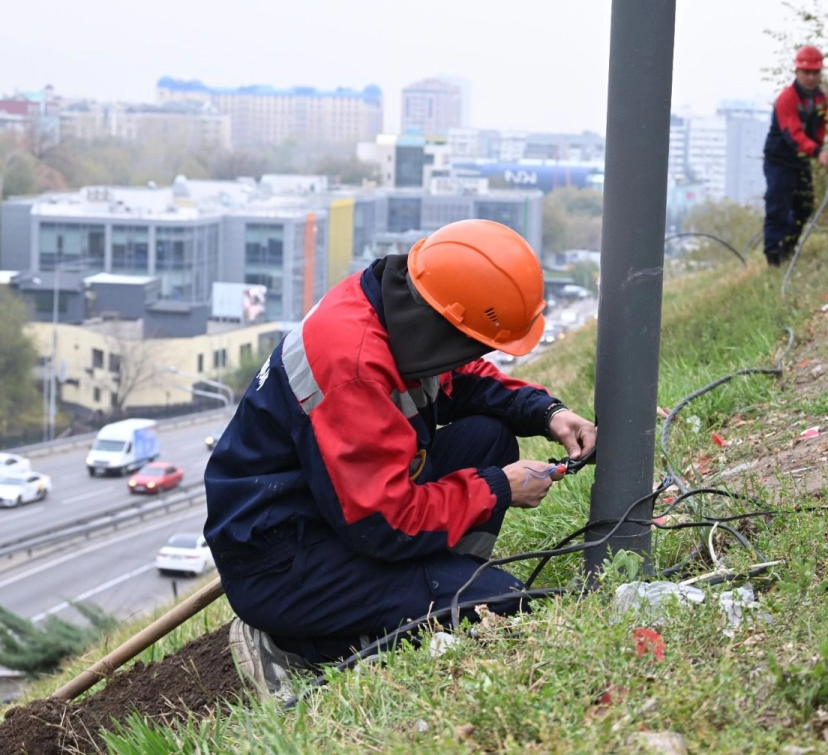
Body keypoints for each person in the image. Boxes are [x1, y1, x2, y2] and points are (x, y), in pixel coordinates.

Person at [204, 218, 598, 699]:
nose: (479, 352)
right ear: (447, 324)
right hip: (286, 561)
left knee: (486, 438)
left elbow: (464, 380)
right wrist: (499, 488)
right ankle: (297, 645)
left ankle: (421, 591)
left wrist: (549, 413)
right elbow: (385, 524)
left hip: (331, 513)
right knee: (502, 604)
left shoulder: (402, 309)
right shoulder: (354, 369)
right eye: (477, 341)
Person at [762, 45, 828, 267]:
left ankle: (788, 248)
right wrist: (817, 151)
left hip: (801, 161)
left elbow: (820, 128)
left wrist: (818, 149)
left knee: (804, 205)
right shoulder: (786, 99)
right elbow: (793, 134)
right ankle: (774, 258)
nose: (811, 77)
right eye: (806, 72)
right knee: (777, 209)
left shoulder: (820, 99)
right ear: (797, 72)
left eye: (815, 73)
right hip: (779, 161)